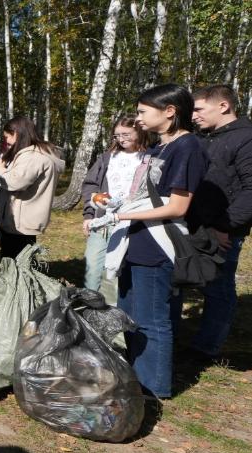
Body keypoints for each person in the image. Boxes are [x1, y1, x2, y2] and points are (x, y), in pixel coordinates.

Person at [91, 84, 207, 399]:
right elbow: (141, 196)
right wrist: (114, 207)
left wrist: (121, 218)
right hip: (136, 242)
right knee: (130, 315)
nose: (138, 117)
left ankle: (153, 389)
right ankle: (135, 377)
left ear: (169, 111)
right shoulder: (158, 149)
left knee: (152, 319)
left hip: (158, 246)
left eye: (143, 111)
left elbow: (178, 206)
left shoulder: (188, 148)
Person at [186, 84, 252, 362]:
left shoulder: (246, 138)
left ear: (223, 106)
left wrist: (224, 226)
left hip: (223, 230)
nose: (193, 116)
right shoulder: (204, 138)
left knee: (218, 287)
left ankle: (206, 348)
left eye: (199, 109)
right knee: (186, 279)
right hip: (195, 225)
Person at [80, 117, 148, 299]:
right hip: (102, 222)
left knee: (115, 273)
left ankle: (112, 317)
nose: (121, 139)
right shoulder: (107, 158)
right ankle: (88, 307)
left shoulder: (149, 158)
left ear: (140, 132)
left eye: (126, 134)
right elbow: (90, 185)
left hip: (129, 224)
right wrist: (89, 213)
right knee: (92, 268)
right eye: (117, 135)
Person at [0, 115, 65, 259]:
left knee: (16, 265)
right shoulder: (38, 153)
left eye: (8, 137)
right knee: (22, 261)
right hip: (23, 219)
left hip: (18, 222)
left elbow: (15, 182)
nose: (6, 141)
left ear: (17, 134)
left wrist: (0, 170)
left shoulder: (32, 156)